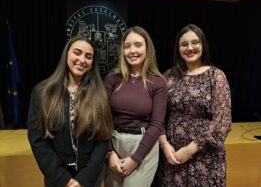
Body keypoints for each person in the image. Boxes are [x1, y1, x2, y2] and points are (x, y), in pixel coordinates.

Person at [27, 36, 114, 187]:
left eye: (88, 56)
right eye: (77, 52)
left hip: (90, 179)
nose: (82, 60)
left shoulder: (100, 94)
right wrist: (63, 179)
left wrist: (84, 179)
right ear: (66, 54)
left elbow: (104, 139)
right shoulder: (42, 92)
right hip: (58, 179)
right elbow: (37, 140)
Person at [157, 24, 232, 186]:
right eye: (184, 44)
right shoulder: (168, 76)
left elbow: (222, 122)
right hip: (173, 154)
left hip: (205, 155)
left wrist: (190, 150)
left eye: (195, 42)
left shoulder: (216, 76)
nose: (190, 48)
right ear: (178, 49)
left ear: (203, 45)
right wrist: (164, 145)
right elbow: (157, 115)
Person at [104, 26, 168, 187]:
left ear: (148, 48)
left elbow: (157, 125)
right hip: (114, 144)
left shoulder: (158, 82)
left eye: (138, 45)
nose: (132, 50)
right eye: (127, 46)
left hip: (144, 147)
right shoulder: (112, 79)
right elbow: (103, 118)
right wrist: (109, 152)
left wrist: (135, 159)